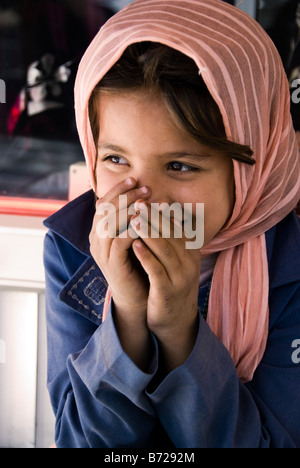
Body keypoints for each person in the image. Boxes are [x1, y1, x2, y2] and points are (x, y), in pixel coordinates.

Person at [44, 0, 300, 448]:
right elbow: (78, 440)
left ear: (252, 169)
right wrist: (126, 314)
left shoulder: (290, 270)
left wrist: (181, 329)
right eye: (116, 159)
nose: (144, 198)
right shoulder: (74, 250)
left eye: (180, 165)